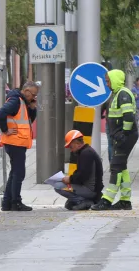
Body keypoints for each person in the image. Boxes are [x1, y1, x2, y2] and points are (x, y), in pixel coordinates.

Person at [92, 69, 137, 210]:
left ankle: (107, 200)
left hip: (125, 137)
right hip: (121, 136)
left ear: (115, 80)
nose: (106, 84)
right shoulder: (117, 93)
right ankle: (125, 200)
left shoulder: (123, 94)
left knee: (115, 167)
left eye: (108, 81)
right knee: (121, 167)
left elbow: (128, 116)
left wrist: (124, 133)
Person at [0, 81, 39, 211]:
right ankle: (16, 202)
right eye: (33, 95)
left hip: (17, 142)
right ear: (26, 92)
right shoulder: (16, 101)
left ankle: (7, 203)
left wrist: (32, 108)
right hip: (15, 141)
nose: (34, 97)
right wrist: (5, 130)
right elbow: (1, 113)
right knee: (19, 173)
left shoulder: (23, 102)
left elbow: (28, 121)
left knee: (14, 173)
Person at [57, 130, 103, 211]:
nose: (71, 150)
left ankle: (83, 201)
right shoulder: (86, 152)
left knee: (58, 186)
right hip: (92, 189)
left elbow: (82, 176)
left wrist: (70, 179)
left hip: (90, 190)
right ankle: (83, 200)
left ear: (77, 143)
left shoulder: (86, 154)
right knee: (69, 203)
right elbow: (81, 173)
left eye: (71, 147)